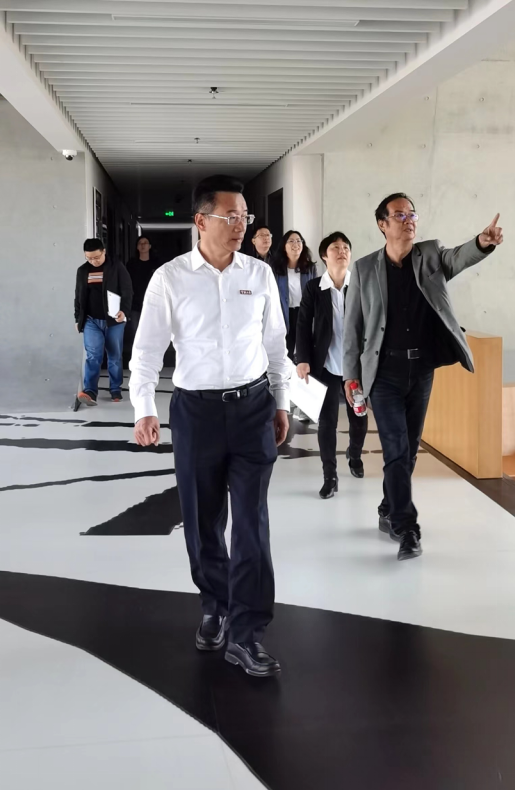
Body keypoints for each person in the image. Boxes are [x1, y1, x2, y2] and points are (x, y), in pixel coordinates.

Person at [129, 175, 291, 678]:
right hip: (195, 413)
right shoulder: (170, 278)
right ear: (201, 221)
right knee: (202, 522)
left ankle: (247, 633)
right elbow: (147, 349)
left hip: (252, 408)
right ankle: (215, 605)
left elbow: (275, 344)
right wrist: (143, 407)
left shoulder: (259, 274)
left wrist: (281, 402)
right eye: (231, 216)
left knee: (252, 523)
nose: (241, 225)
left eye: (245, 216)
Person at [343, 194, 503, 561]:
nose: (409, 220)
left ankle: (388, 507)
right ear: (383, 224)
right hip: (383, 373)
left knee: (409, 450)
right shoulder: (364, 269)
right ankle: (406, 527)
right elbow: (352, 329)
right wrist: (351, 378)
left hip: (422, 371)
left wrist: (482, 242)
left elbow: (458, 257)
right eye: (399, 215)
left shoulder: (430, 254)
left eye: (412, 214)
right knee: (396, 448)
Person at [296, 232, 368, 499]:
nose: (342, 251)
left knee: (358, 416)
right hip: (325, 364)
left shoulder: (359, 284)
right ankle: (330, 476)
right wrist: (302, 359)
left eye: (346, 247)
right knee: (327, 422)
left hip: (354, 366)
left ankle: (355, 455)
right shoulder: (314, 288)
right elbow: (303, 324)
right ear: (324, 256)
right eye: (335, 248)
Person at [74, 238, 133, 405]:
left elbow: (127, 290)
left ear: (104, 252)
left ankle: (115, 389)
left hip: (114, 320)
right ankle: (90, 391)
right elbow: (78, 296)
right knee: (93, 355)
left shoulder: (116, 267)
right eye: (89, 258)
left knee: (114, 355)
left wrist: (124, 311)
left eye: (96, 257)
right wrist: (77, 318)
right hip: (91, 320)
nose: (93, 261)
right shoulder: (82, 271)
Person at [272, 230, 317, 361]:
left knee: (305, 346)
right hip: (284, 313)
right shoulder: (275, 268)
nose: (295, 244)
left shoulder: (310, 268)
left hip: (304, 312)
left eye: (298, 241)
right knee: (287, 350)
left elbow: (315, 293)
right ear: (284, 246)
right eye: (291, 241)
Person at [125, 235, 160, 346]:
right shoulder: (131, 264)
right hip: (135, 304)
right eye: (140, 243)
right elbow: (126, 284)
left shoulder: (156, 264)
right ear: (137, 247)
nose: (143, 245)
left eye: (145, 243)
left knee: (152, 333)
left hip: (153, 304)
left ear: (150, 246)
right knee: (136, 333)